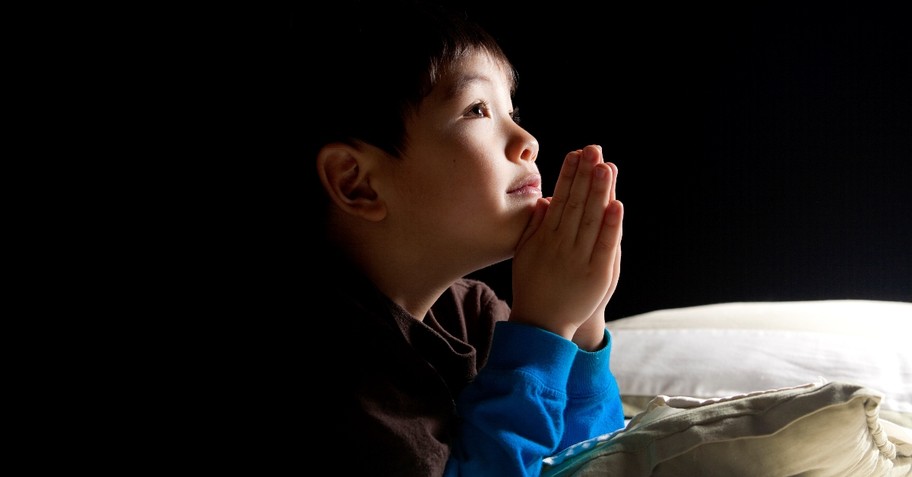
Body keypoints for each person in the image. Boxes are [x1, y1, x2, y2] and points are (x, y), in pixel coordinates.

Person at [298, 1, 625, 475]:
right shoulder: (333, 371)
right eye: (477, 110)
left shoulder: (472, 313)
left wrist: (581, 329)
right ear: (358, 183)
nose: (528, 141)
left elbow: (592, 462)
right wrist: (543, 331)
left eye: (511, 111)